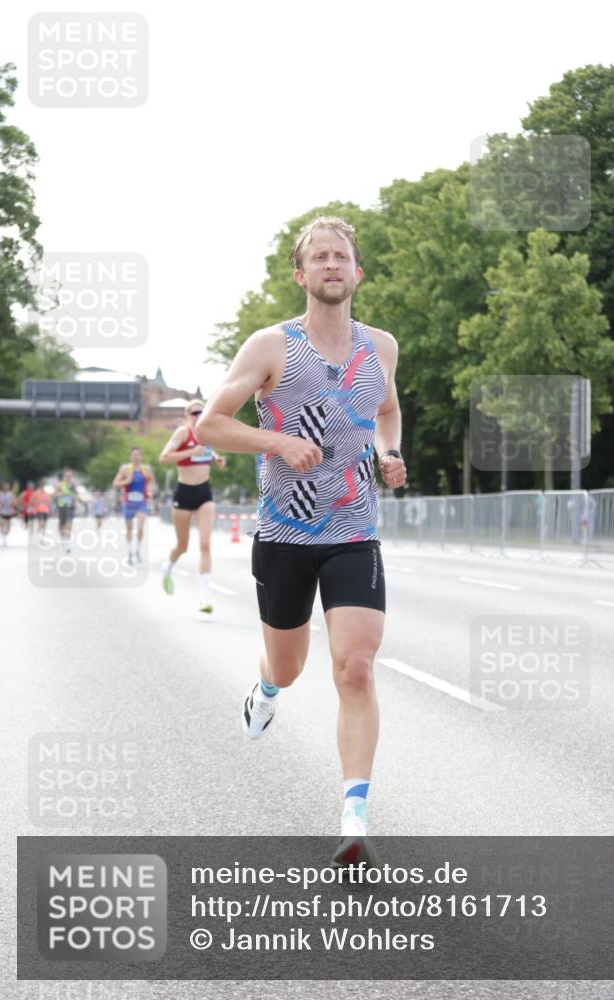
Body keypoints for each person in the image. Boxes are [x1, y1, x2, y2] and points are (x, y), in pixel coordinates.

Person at [196, 216, 407, 862]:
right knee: (287, 665)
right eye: (318, 257)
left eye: (340, 256)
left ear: (357, 271)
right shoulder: (271, 347)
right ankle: (264, 689)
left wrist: (389, 452)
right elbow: (209, 426)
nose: (331, 265)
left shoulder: (381, 348)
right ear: (300, 274)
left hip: (354, 532)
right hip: (284, 535)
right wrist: (278, 440)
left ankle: (353, 815)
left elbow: (387, 410)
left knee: (356, 667)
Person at [159, 399, 227, 613]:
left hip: (204, 493)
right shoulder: (182, 433)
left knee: (205, 545)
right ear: (188, 415)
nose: (199, 415)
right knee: (183, 546)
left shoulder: (207, 434)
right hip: (184, 493)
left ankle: (204, 598)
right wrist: (190, 453)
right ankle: (167, 567)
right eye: (195, 412)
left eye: (203, 411)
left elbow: (207, 452)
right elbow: (164, 458)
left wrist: (217, 459)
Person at [112, 447, 155, 565]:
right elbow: (115, 483)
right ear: (131, 457)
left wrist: (150, 491)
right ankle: (129, 551)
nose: (136, 457)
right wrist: (126, 481)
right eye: (134, 455)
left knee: (141, 526)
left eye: (138, 455)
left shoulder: (145, 469)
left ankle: (138, 549)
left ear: (141, 457)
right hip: (129, 502)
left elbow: (152, 482)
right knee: (129, 528)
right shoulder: (125, 469)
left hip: (142, 502)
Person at [54, 468, 77, 553]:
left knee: (69, 524)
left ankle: (67, 543)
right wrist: (61, 494)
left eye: (70, 476)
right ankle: (63, 538)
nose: (69, 477)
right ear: (64, 476)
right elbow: (54, 495)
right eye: (67, 476)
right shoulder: (60, 485)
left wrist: (75, 498)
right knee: (62, 525)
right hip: (62, 507)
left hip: (70, 507)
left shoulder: (73, 485)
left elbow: (75, 495)